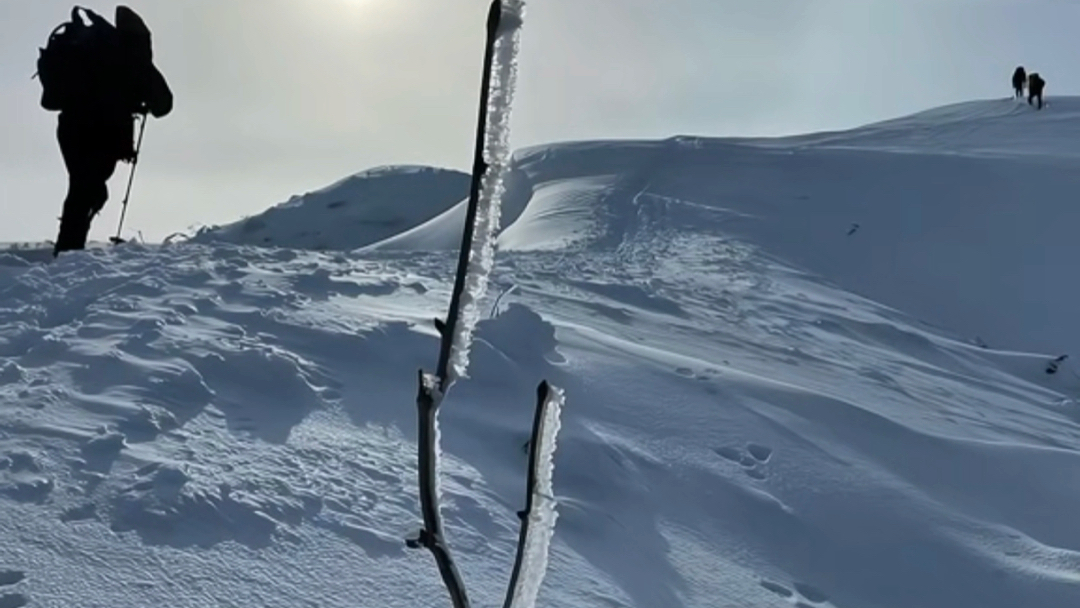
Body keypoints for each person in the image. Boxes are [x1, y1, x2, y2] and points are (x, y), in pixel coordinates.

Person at [37, 6, 172, 256]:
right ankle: (68, 253)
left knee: (84, 189)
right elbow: (163, 104)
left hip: (70, 129)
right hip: (104, 135)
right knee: (87, 191)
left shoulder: (93, 46)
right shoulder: (133, 57)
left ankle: (69, 251)